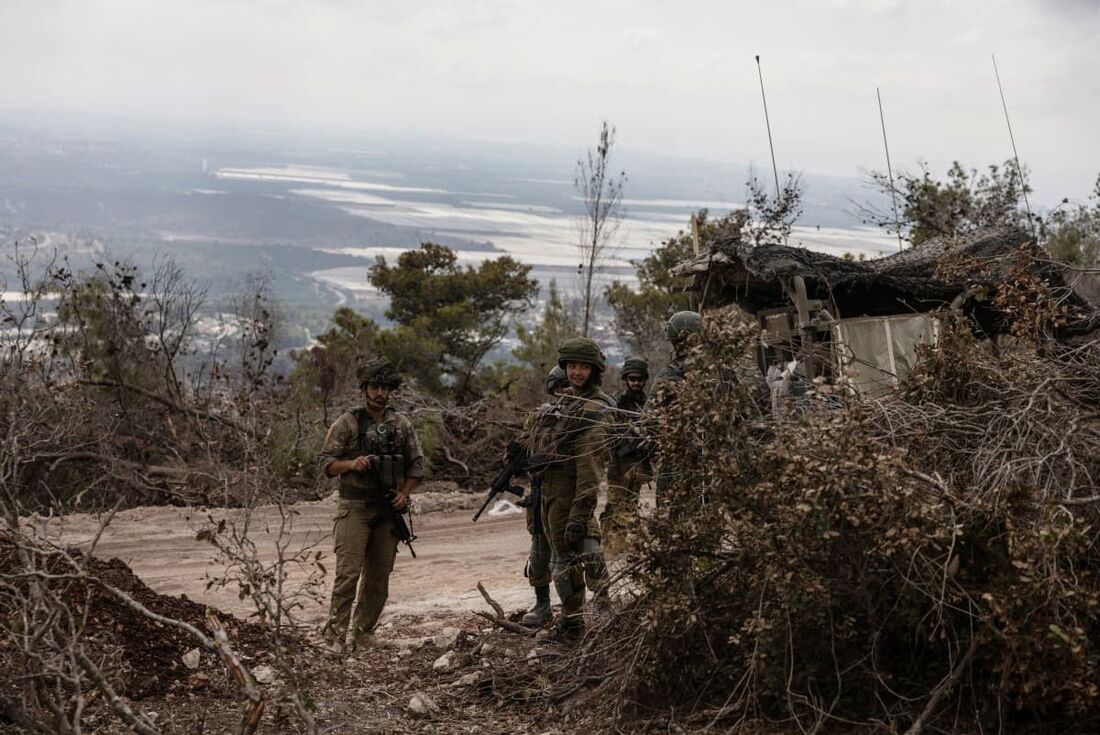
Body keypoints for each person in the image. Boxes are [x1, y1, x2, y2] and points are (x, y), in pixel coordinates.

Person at [318, 359, 424, 651]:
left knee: (379, 576)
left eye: (384, 387)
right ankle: (334, 635)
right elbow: (326, 464)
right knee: (348, 573)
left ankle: (364, 634)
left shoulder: (401, 425)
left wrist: (404, 494)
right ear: (364, 388)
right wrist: (352, 463)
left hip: (387, 508)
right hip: (354, 506)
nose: (380, 393)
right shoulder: (348, 423)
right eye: (375, 387)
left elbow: (417, 465)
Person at [530, 337, 613, 638]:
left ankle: (573, 623)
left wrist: (579, 515)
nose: (576, 373)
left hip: (569, 493)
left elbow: (590, 473)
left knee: (565, 563)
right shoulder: (568, 401)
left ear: (594, 370)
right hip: (549, 491)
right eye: (572, 367)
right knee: (559, 561)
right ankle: (571, 620)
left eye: (583, 367)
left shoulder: (593, 409)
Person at [516, 366, 569, 627]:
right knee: (538, 553)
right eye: (558, 388)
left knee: (579, 551)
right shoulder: (537, 418)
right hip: (539, 490)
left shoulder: (578, 418)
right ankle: (543, 605)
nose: (562, 392)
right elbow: (525, 446)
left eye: (566, 387)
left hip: (566, 491)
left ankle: (585, 604)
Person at [600, 357, 650, 555]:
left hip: (637, 463)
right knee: (615, 503)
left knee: (630, 503)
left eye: (639, 379)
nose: (636, 382)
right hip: (620, 464)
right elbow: (611, 432)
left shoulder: (646, 403)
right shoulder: (619, 403)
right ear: (626, 379)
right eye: (632, 379)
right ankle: (608, 544)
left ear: (644, 380)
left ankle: (619, 542)